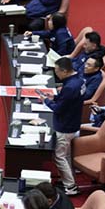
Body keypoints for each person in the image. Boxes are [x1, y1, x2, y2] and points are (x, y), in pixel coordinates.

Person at [37, 57, 84, 196]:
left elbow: (58, 109)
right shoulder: (79, 80)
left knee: (59, 157)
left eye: (57, 71)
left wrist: (46, 100)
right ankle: (68, 180)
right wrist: (55, 97)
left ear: (64, 71)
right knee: (66, 155)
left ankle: (71, 187)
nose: (56, 73)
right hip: (74, 121)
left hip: (65, 126)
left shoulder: (69, 87)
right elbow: (68, 100)